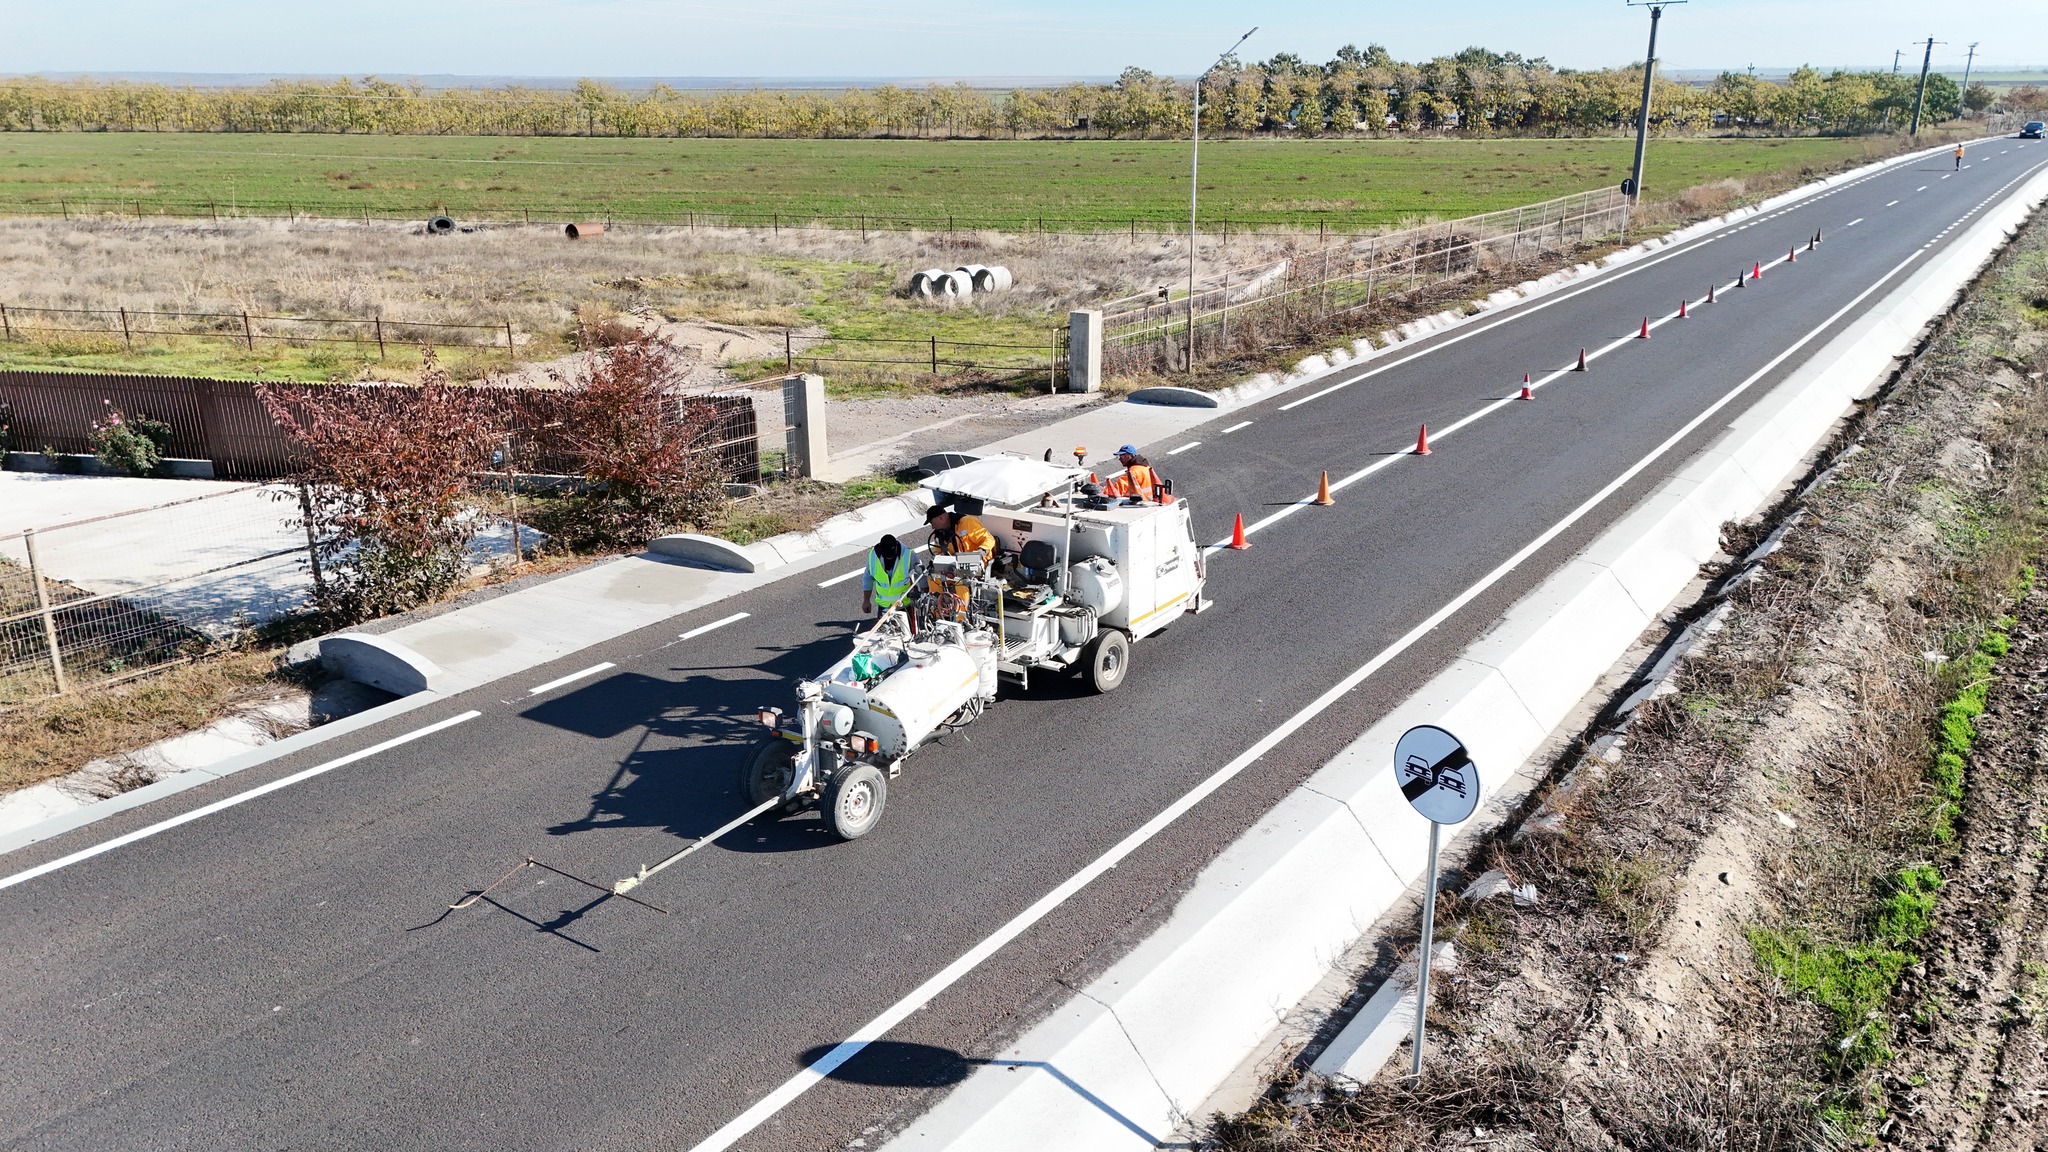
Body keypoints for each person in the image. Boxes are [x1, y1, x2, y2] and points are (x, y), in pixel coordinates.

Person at [924, 504, 995, 615]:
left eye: (932, 523)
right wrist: (938, 559)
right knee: (933, 577)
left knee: (960, 581)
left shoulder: (966, 523)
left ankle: (962, 617)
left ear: (941, 518)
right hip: (953, 565)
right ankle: (937, 613)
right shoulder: (940, 534)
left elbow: (989, 539)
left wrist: (980, 553)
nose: (932, 527)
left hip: (975, 562)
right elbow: (937, 550)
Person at [860, 533, 913, 619]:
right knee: (885, 631)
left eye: (891, 557)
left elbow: (921, 576)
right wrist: (866, 600)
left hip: (905, 604)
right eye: (887, 557)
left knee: (907, 631)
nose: (889, 559)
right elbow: (868, 578)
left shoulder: (908, 555)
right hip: (884, 606)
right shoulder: (873, 556)